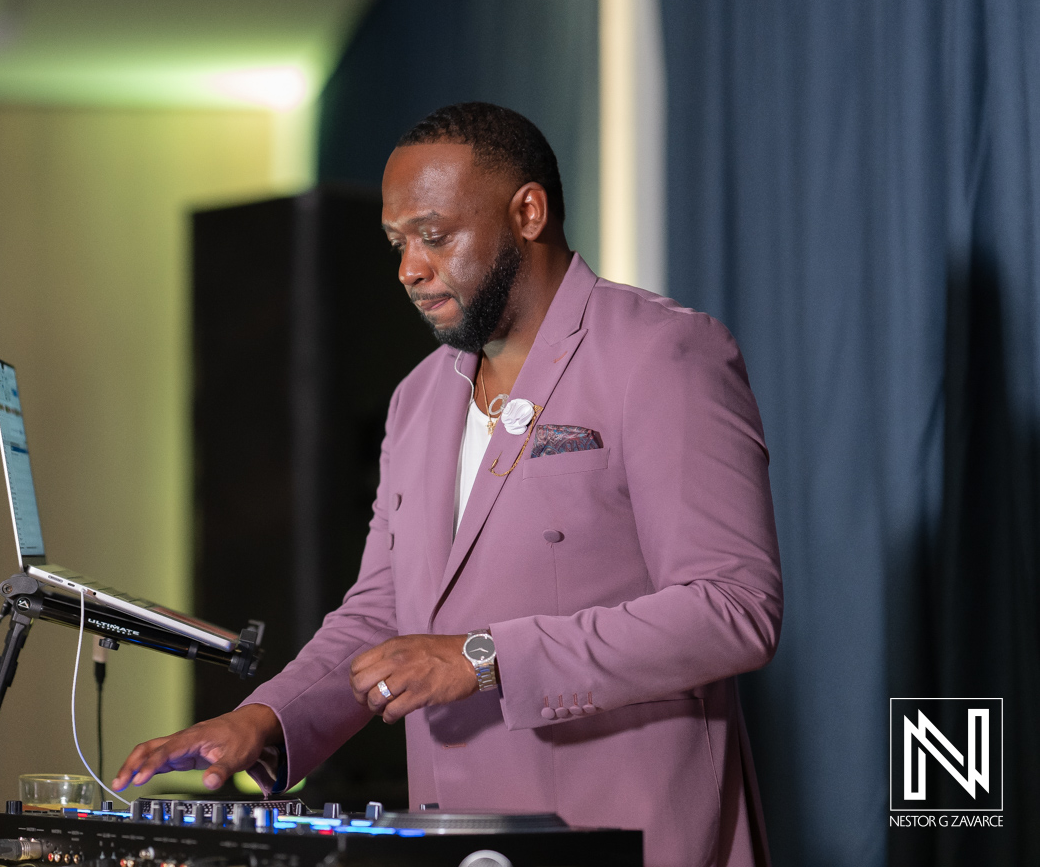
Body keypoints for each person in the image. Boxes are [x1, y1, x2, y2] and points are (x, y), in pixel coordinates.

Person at [112, 102, 782, 867]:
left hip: (629, 839)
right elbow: (383, 612)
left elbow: (733, 608)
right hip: (460, 842)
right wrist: (264, 718)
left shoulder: (664, 353)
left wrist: (486, 656)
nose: (409, 269)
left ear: (528, 213)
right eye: (398, 243)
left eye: (434, 236)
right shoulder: (418, 397)